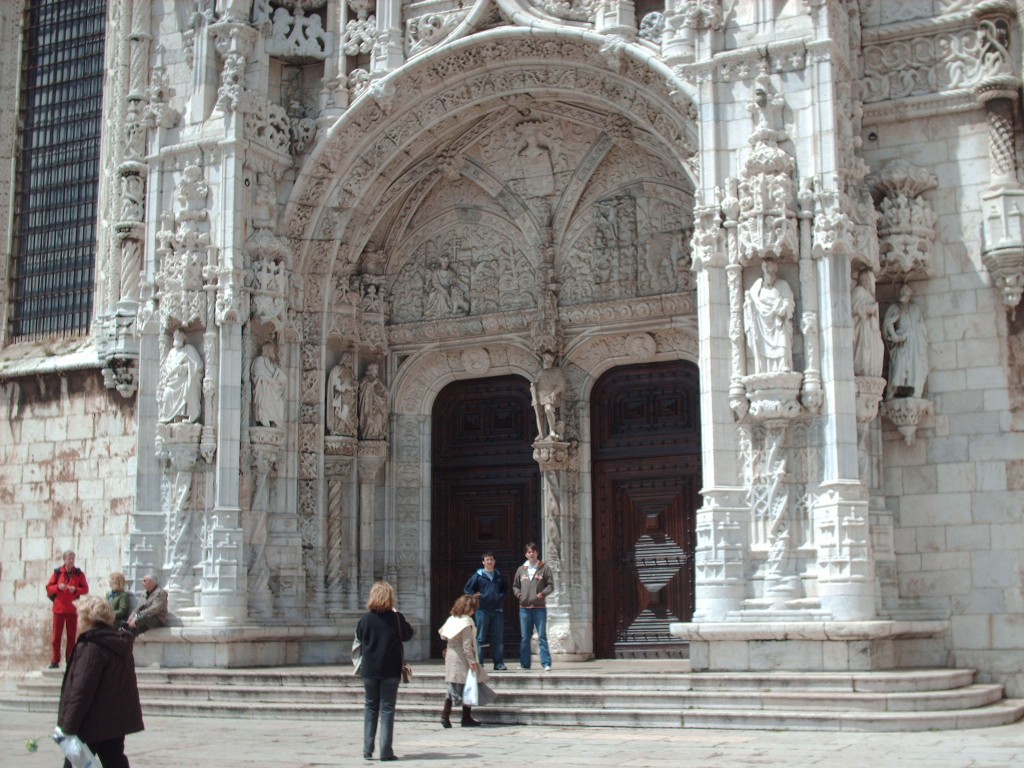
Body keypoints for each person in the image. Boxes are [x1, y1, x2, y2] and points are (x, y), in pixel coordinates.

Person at [57, 594, 144, 768]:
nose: (78, 621)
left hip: (90, 723)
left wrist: (67, 726)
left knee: (75, 764)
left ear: (89, 619)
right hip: (113, 722)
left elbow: (81, 690)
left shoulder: (91, 646)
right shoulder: (119, 643)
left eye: (80, 616)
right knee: (115, 761)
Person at [356, 581, 414, 761]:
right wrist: (397, 616)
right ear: (390, 597)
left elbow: (359, 636)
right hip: (390, 669)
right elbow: (408, 634)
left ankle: (367, 748)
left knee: (371, 707)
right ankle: (386, 751)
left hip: (370, 670)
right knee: (387, 709)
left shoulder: (365, 619)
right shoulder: (396, 618)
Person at [438, 594, 493, 727]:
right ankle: (460, 717)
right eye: (473, 608)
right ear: (467, 608)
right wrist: (472, 662)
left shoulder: (452, 619)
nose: (474, 611)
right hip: (462, 658)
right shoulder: (466, 623)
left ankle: (449, 715)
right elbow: (467, 645)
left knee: (454, 686)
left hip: (451, 655)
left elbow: (443, 635)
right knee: (468, 685)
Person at [743, 259, 795, 374]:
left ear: (775, 269)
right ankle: (764, 368)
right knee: (762, 347)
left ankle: (783, 365)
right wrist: (749, 305)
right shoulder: (757, 288)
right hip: (762, 324)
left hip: (778, 320)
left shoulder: (782, 285)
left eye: (770, 267)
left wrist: (783, 308)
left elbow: (788, 300)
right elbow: (752, 303)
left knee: (782, 340)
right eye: (765, 268)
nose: (767, 270)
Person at [512, 542, 554, 671]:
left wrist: (542, 594)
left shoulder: (544, 568)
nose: (532, 554)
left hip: (539, 608)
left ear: (537, 553)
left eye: (534, 551)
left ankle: (546, 663)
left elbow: (551, 585)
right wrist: (519, 595)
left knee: (542, 636)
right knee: (525, 637)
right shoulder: (521, 569)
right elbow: (515, 585)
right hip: (524, 608)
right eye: (529, 552)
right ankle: (525, 664)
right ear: (526, 554)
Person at [883, 283, 929, 400]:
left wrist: (915, 333)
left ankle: (916, 390)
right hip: (901, 345)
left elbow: (921, 326)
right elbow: (888, 324)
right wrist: (895, 336)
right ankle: (892, 392)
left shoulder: (915, 308)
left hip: (914, 345)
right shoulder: (895, 307)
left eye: (907, 294)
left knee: (914, 367)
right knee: (899, 368)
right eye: (903, 293)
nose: (905, 296)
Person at [464, 552, 508, 670]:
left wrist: (500, 597)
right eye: (487, 560)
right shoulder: (477, 576)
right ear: (483, 562)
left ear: (494, 561)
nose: (489, 562)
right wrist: (476, 598)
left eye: (491, 560)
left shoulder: (499, 576)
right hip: (482, 611)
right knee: (480, 638)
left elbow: (505, 590)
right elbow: (468, 589)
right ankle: (479, 663)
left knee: (498, 638)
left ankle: (499, 663)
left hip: (497, 610)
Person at [46, 551, 89, 669]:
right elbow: (49, 588)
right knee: (56, 637)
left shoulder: (79, 573)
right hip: (59, 609)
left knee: (71, 637)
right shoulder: (58, 573)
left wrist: (75, 590)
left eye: (73, 558)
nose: (71, 561)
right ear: (64, 560)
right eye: (69, 558)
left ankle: (70, 660)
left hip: (72, 609)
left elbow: (85, 589)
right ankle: (55, 660)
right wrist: (58, 588)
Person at [158, 328, 203, 424]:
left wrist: (184, 368)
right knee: (167, 393)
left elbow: (198, 366)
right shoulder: (171, 352)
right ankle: (167, 418)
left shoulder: (189, 349)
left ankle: (187, 416)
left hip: (184, 381)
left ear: (184, 338)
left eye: (179, 337)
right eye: (175, 337)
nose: (177, 339)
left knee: (189, 385)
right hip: (172, 381)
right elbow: (166, 367)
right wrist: (172, 372)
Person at [851, 269, 885, 378]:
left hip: (871, 331)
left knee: (879, 348)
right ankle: (864, 373)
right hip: (862, 331)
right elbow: (856, 308)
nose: (874, 284)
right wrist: (871, 308)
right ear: (865, 280)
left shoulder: (867, 294)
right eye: (872, 280)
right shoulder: (858, 291)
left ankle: (872, 374)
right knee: (866, 353)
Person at [531, 351, 568, 440]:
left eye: (548, 359)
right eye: (544, 359)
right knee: (539, 414)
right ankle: (541, 433)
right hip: (540, 396)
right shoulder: (540, 371)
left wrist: (554, 392)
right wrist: (533, 388)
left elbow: (562, 384)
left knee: (548, 409)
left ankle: (552, 430)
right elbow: (536, 382)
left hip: (551, 396)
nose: (545, 361)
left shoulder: (557, 371)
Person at [252, 342, 286, 427]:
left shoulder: (273, 365)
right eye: (272, 350)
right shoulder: (260, 360)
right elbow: (258, 372)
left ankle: (275, 422)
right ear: (267, 350)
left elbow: (279, 377)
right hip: (264, 390)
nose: (274, 352)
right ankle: (264, 420)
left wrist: (279, 380)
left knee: (280, 403)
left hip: (273, 391)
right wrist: (272, 380)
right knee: (266, 394)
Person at [359, 362, 388, 440]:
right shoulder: (366, 379)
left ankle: (378, 434)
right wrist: (372, 384)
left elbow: (384, 391)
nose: (377, 370)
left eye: (377, 369)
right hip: (369, 405)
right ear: (370, 370)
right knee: (371, 418)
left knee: (379, 416)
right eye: (375, 369)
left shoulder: (378, 380)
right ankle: (369, 433)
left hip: (378, 404)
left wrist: (384, 393)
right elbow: (362, 388)